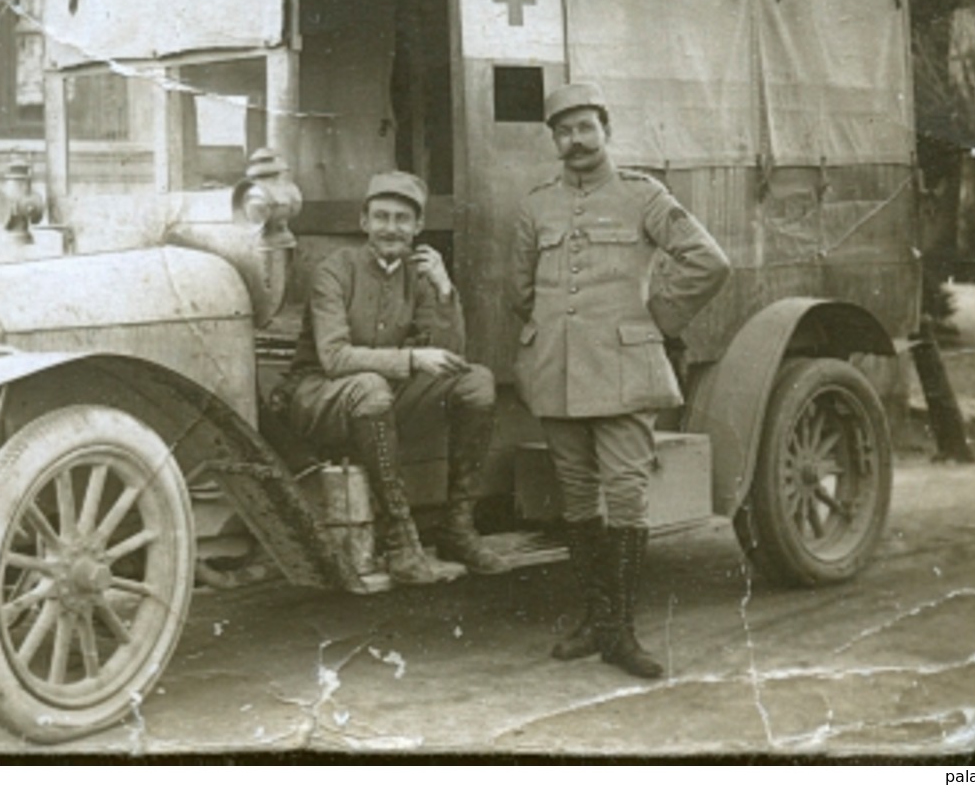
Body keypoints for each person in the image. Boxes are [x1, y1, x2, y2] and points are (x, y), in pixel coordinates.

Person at [510, 82, 731, 677]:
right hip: (556, 372)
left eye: (585, 127)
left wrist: (656, 318)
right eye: (564, 130)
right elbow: (519, 290)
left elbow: (708, 261)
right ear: (553, 139)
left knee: (627, 497)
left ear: (605, 129)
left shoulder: (643, 195)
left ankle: (623, 632)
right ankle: (595, 621)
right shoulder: (535, 205)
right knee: (578, 498)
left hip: (627, 370)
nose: (575, 140)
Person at [283, 171, 505, 585]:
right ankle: (401, 540)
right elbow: (333, 358)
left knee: (477, 381)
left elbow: (451, 356)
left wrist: (443, 290)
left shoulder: (418, 274)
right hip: (318, 396)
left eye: (402, 219)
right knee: (370, 386)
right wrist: (411, 358)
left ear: (418, 226)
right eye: (381, 217)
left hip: (381, 399)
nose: (391, 228)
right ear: (364, 222)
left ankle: (457, 528)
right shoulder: (336, 269)